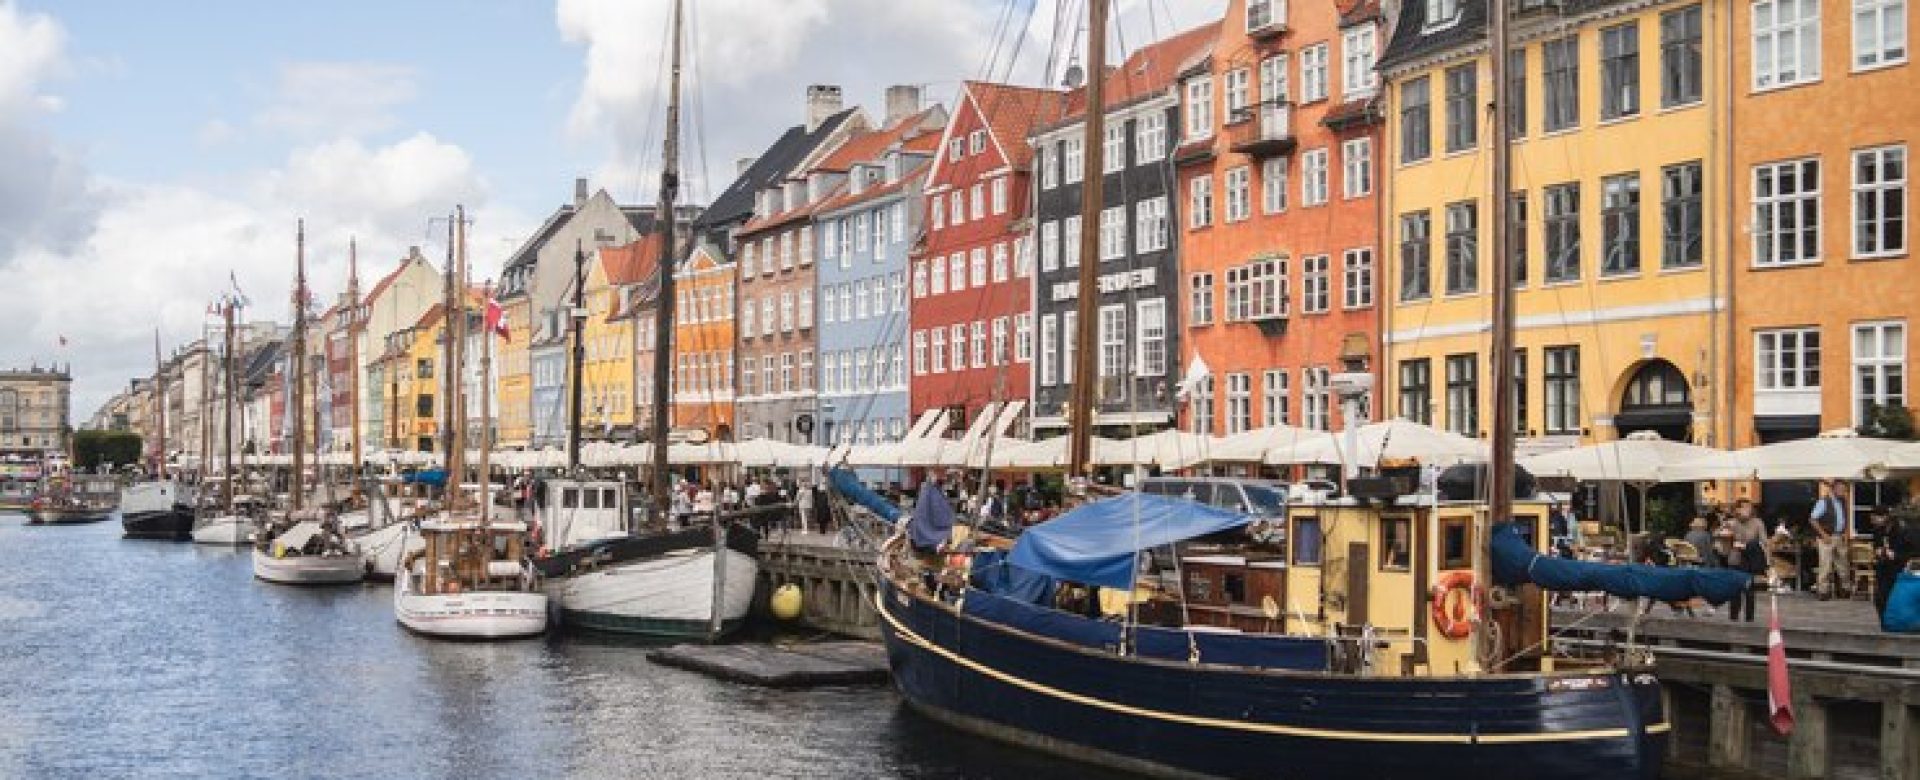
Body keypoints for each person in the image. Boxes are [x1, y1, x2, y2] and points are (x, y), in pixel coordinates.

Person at [1870, 508, 1920, 614]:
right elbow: (1877, 544)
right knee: (1880, 597)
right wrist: (1878, 550)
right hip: (1884, 567)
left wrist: (1896, 555)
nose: (1873, 521)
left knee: (1896, 596)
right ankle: (1886, 620)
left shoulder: (1904, 531)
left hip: (1900, 567)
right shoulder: (1878, 530)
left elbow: (1913, 551)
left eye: (1875, 518)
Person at [1810, 480, 1854, 599]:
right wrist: (1823, 534)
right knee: (1825, 565)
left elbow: (1844, 519)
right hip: (1826, 537)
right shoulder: (1823, 502)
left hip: (1839, 536)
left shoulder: (1843, 501)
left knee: (1843, 564)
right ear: (1833, 489)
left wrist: (1845, 532)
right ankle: (1823, 591)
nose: (1843, 492)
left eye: (1844, 490)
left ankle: (1845, 589)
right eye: (1841, 489)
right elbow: (1813, 519)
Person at [1726, 498, 1768, 623]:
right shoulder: (1731, 523)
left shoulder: (1757, 523)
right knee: (1734, 591)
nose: (1747, 510)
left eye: (1748, 507)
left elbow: (1764, 541)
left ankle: (1749, 619)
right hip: (1735, 559)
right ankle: (1733, 617)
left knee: (1749, 591)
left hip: (1750, 561)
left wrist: (1750, 546)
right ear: (1737, 509)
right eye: (1743, 507)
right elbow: (1719, 537)